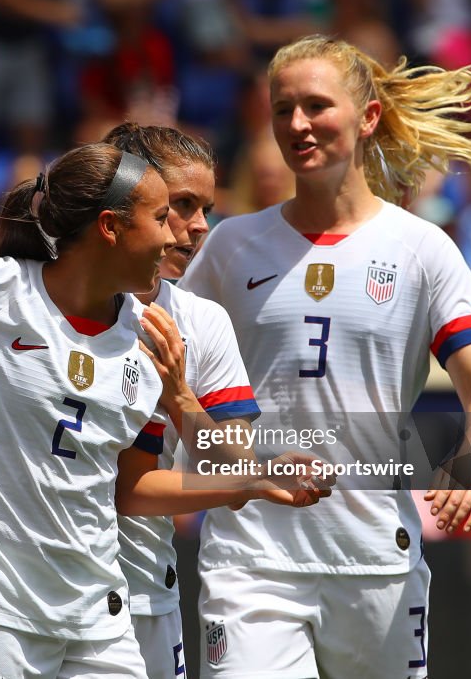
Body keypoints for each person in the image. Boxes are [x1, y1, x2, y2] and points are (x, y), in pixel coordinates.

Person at [0, 142, 320, 678]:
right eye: (164, 216)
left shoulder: (155, 336)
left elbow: (131, 486)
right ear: (110, 226)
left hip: (99, 616)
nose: (181, 232)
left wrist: (249, 473)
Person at [179, 35, 471, 678]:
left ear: (368, 117)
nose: (297, 124)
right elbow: (168, 376)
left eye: (315, 106)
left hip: (374, 556)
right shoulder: (227, 249)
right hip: (250, 557)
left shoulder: (422, 248)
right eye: (282, 109)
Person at [101, 122, 322, 679]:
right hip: (21, 591)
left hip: (144, 595)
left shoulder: (200, 321)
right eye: (182, 205)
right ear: (124, 200)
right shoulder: (34, 296)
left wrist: (180, 396)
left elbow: (234, 469)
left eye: (206, 208)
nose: (200, 227)